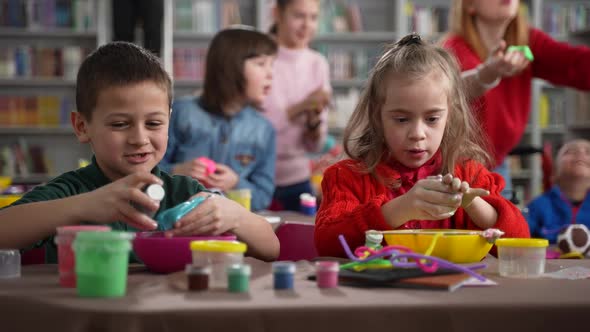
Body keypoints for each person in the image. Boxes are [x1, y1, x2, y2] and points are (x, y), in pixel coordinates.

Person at [0, 41, 279, 262]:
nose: (139, 138)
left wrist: (235, 215)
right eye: (120, 124)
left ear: (169, 120)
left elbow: (271, 248)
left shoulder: (183, 192)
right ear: (82, 126)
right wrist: (85, 205)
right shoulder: (70, 191)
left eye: (154, 123)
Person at [314, 34, 530, 257]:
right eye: (401, 119)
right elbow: (327, 242)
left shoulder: (469, 175)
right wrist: (400, 209)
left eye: (432, 119)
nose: (417, 134)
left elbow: (521, 245)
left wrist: (475, 206)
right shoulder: (348, 177)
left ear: (450, 117)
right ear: (378, 117)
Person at [442, 0, 590, 197]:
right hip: (455, 169)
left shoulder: (527, 41)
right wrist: (487, 73)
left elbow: (576, 65)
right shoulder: (454, 48)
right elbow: (449, 91)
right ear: (470, 5)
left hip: (497, 163)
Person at [159, 28, 277, 212]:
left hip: (233, 229)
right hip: (177, 223)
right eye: (261, 64)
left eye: (272, 65)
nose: (270, 74)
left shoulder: (264, 130)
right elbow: (143, 173)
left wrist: (236, 183)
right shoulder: (182, 113)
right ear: (231, 66)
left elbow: (263, 197)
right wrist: (176, 172)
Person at [262, 0, 332, 211]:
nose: (307, 25)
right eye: (299, 16)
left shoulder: (318, 64)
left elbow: (316, 146)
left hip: (298, 179)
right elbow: (259, 128)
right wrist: (302, 106)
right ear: (277, 14)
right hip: (256, 178)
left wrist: (313, 125)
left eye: (313, 17)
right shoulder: (261, 58)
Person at [526, 139, 590, 243]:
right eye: (570, 151)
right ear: (554, 173)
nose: (580, 153)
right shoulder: (537, 206)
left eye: (588, 152)